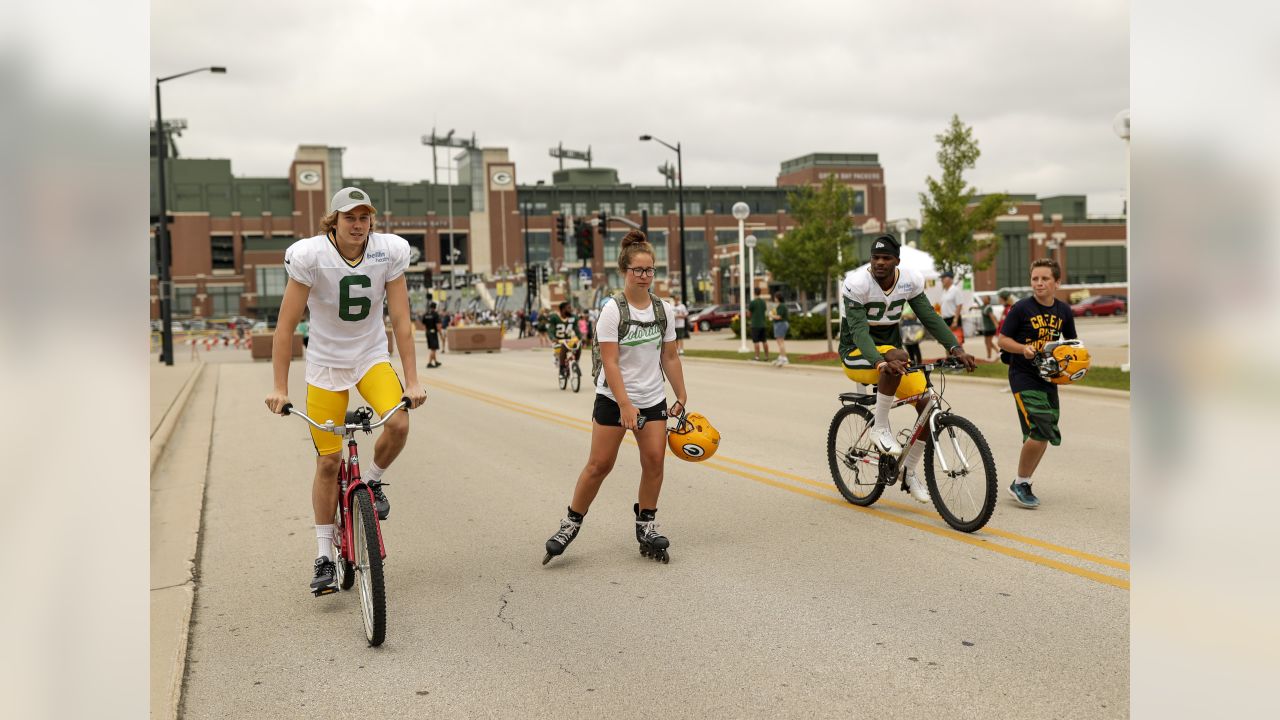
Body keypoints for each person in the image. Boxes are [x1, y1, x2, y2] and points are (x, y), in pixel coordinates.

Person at [264, 186, 427, 596]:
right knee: (328, 462)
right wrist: (279, 388)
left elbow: (402, 321)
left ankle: (371, 482)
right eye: (349, 217)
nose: (358, 225)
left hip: (370, 357)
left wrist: (413, 379)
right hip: (324, 365)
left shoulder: (387, 252)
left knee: (400, 424)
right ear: (333, 222)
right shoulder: (311, 256)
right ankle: (322, 553)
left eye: (364, 217)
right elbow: (284, 329)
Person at [542, 230, 687, 564]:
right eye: (638, 269)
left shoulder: (663, 310)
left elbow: (670, 356)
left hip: (652, 398)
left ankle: (646, 525)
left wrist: (681, 394)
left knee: (654, 461)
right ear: (625, 270)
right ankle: (570, 522)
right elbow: (610, 361)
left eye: (649, 270)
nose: (644, 276)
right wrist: (624, 404)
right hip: (613, 398)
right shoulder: (612, 311)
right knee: (599, 465)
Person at [838, 234, 977, 503]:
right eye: (875, 257)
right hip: (856, 351)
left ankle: (908, 471)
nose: (879, 263)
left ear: (896, 261)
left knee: (927, 404)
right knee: (896, 359)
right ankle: (879, 428)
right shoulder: (856, 283)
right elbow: (859, 332)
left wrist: (956, 348)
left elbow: (929, 317)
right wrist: (880, 361)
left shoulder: (909, 281)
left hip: (893, 355)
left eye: (886, 258)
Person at [996, 258, 1079, 508]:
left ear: (1057, 282)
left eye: (1045, 279)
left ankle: (1024, 480)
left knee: (1042, 433)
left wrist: (1075, 366)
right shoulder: (1021, 308)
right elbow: (1002, 340)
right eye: (1035, 279)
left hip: (1048, 377)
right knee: (1041, 428)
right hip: (1023, 376)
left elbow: (1072, 343)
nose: (1039, 283)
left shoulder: (1063, 311)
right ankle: (1020, 483)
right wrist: (1023, 349)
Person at [545, 300, 581, 370]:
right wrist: (553, 338)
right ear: (562, 309)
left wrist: (579, 337)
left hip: (568, 341)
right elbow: (550, 330)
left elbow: (577, 330)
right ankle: (562, 368)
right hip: (558, 342)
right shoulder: (555, 318)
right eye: (569, 308)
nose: (571, 310)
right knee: (564, 345)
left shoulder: (573, 318)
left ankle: (576, 363)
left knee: (578, 344)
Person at [938, 270, 965, 344]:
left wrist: (955, 320)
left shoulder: (955, 290)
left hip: (953, 319)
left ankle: (959, 356)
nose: (942, 280)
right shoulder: (944, 291)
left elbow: (959, 305)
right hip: (945, 319)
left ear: (950, 279)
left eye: (944, 278)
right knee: (947, 343)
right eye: (941, 278)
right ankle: (949, 356)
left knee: (957, 343)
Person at [747, 286, 770, 361]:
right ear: (760, 292)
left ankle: (757, 357)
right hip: (763, 324)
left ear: (754, 293)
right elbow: (764, 311)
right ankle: (767, 356)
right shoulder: (763, 302)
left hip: (755, 324)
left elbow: (748, 314)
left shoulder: (752, 302)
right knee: (764, 341)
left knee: (756, 341)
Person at [770, 292, 790, 366]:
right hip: (779, 324)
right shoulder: (780, 306)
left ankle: (784, 358)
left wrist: (771, 316)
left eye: (775, 297)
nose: (774, 299)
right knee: (780, 342)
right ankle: (781, 357)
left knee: (780, 342)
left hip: (781, 324)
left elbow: (779, 317)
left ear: (778, 298)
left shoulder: (781, 306)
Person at [422, 301, 443, 368]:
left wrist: (426, 332)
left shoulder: (426, 314)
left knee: (432, 348)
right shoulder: (435, 314)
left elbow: (424, 324)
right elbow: (438, 325)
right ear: (435, 307)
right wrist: (440, 334)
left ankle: (436, 362)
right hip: (433, 333)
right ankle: (429, 363)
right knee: (433, 348)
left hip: (428, 332)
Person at [979, 295, 999, 360]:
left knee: (988, 342)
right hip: (986, 328)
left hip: (990, 328)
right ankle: (997, 352)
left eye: (985, 298)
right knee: (987, 342)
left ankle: (990, 356)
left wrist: (996, 324)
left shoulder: (988, 308)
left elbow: (992, 316)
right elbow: (978, 307)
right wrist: (972, 307)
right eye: (983, 298)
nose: (983, 299)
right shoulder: (983, 306)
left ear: (988, 300)